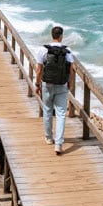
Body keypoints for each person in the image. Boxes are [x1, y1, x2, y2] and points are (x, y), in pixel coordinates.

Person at [35, 25, 74, 155]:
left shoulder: (42, 50)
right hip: (62, 85)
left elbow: (39, 69)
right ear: (61, 36)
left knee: (47, 110)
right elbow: (71, 70)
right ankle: (59, 144)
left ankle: (48, 137)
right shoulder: (67, 50)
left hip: (47, 84)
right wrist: (71, 84)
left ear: (52, 35)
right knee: (61, 114)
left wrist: (37, 84)